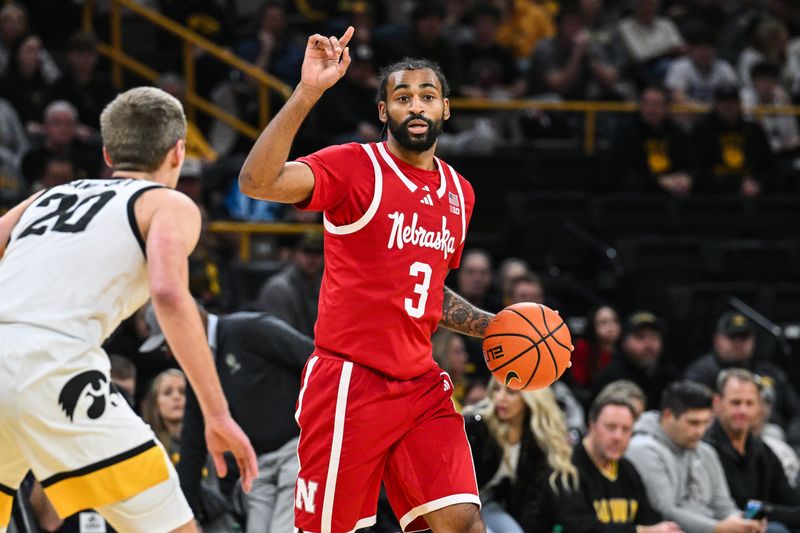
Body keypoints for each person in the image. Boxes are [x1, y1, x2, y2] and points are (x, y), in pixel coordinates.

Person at [239, 26, 495, 533]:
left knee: (462, 523)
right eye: (402, 97)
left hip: (421, 386)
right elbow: (257, 181)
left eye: (428, 96)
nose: (415, 106)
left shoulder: (458, 193)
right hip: (350, 383)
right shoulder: (356, 167)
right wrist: (307, 92)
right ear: (384, 112)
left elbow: (422, 289)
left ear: (446, 109)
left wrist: (496, 326)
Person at [0, 86, 257, 533]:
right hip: (52, 367)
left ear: (107, 152)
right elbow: (170, 293)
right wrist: (217, 414)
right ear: (178, 152)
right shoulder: (167, 202)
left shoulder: (45, 198)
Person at [139, 302, 314, 533]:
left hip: (297, 451)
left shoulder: (250, 329)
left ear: (187, 323)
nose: (170, 353)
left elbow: (316, 363)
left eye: (166, 343)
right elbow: (192, 448)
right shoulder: (196, 373)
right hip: (257, 466)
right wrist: (182, 519)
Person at [626, 381, 765, 533]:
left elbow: (723, 505)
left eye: (705, 422)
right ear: (667, 415)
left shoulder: (706, 451)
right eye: (693, 423)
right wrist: (717, 528)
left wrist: (743, 522)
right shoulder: (643, 449)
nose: (700, 431)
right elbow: (665, 511)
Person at [463, 380, 579, 533]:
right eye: (496, 389)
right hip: (461, 503)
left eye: (511, 392)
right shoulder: (477, 426)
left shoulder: (534, 438)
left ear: (530, 397)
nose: (500, 398)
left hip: (489, 503)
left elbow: (531, 502)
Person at [555, 393, 681, 532]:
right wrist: (641, 531)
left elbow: (649, 517)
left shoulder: (628, 469)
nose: (618, 437)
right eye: (610, 427)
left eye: (626, 429)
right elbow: (578, 527)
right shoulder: (567, 467)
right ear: (592, 426)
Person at [685, 311, 800, 447]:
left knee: (773, 433)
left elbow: (796, 412)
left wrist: (793, 440)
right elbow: (691, 416)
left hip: (774, 439)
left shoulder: (769, 371)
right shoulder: (701, 373)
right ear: (717, 340)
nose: (739, 344)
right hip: (721, 439)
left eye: (744, 337)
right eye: (732, 337)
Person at [705, 369, 800, 532]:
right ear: (717, 403)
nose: (743, 411)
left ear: (759, 407)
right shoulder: (705, 449)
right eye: (736, 403)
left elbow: (790, 501)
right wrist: (768, 510)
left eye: (749, 403)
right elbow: (739, 506)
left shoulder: (764, 451)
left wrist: (765, 509)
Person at [592, 311, 679, 410]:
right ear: (624, 342)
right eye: (640, 337)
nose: (649, 344)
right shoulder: (610, 378)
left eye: (654, 337)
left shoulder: (670, 377)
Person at [255, 230, 323, 338]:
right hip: (292, 352)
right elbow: (281, 338)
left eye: (317, 253)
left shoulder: (325, 287)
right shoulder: (278, 289)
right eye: (307, 252)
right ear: (295, 254)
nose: (312, 258)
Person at [570, 305, 621, 392]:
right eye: (603, 322)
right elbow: (579, 383)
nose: (611, 327)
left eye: (614, 321)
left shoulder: (624, 349)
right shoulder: (582, 347)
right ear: (593, 325)